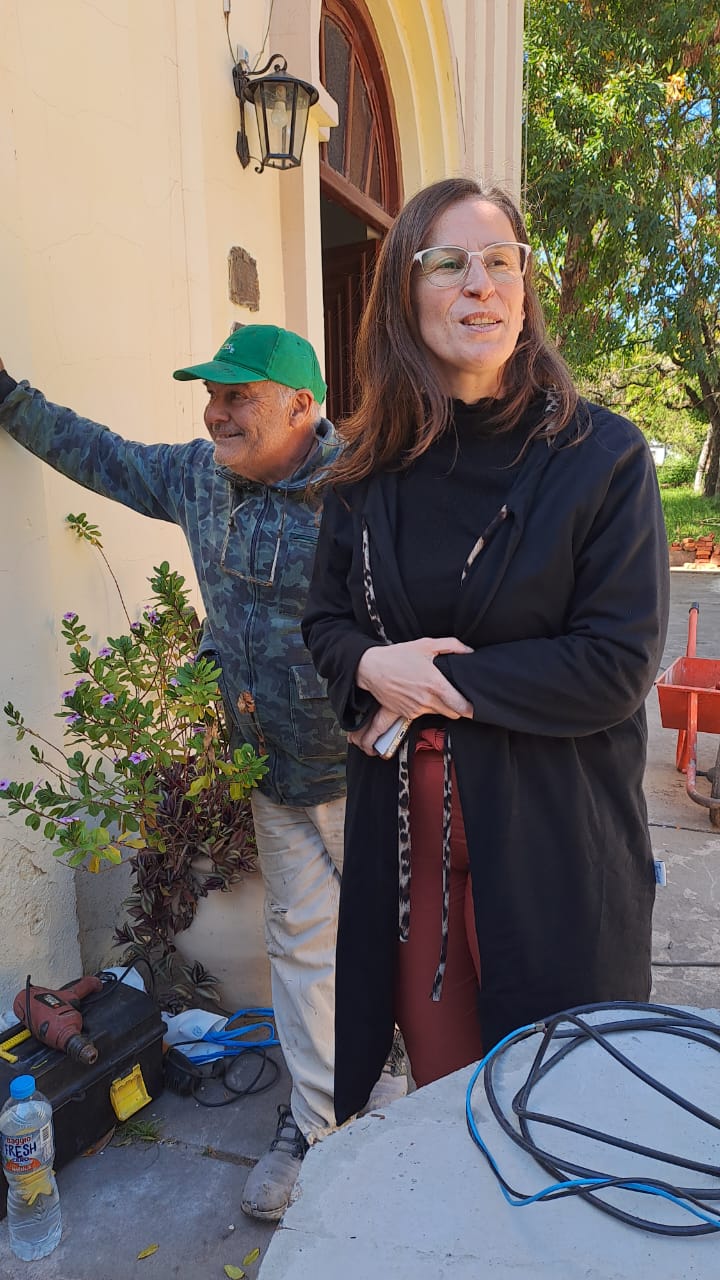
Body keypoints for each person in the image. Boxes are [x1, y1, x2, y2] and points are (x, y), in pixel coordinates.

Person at [0, 323, 407, 1220]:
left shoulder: (364, 488)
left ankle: (405, 1091)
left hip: (369, 777)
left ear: (302, 406)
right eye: (212, 396)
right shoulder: (197, 477)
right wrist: (10, 399)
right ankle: (315, 1122)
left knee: (398, 942)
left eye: (238, 397)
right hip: (272, 774)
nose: (217, 413)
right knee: (300, 946)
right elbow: (100, 455)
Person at [302, 177, 670, 1125]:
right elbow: (326, 621)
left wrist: (431, 680)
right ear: (404, 289)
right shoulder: (364, 468)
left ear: (524, 286)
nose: (481, 285)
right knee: (448, 1103)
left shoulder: (602, 459)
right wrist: (369, 667)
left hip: (554, 844)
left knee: (561, 1105)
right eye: (449, 263)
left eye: (501, 261)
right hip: (409, 848)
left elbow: (614, 666)